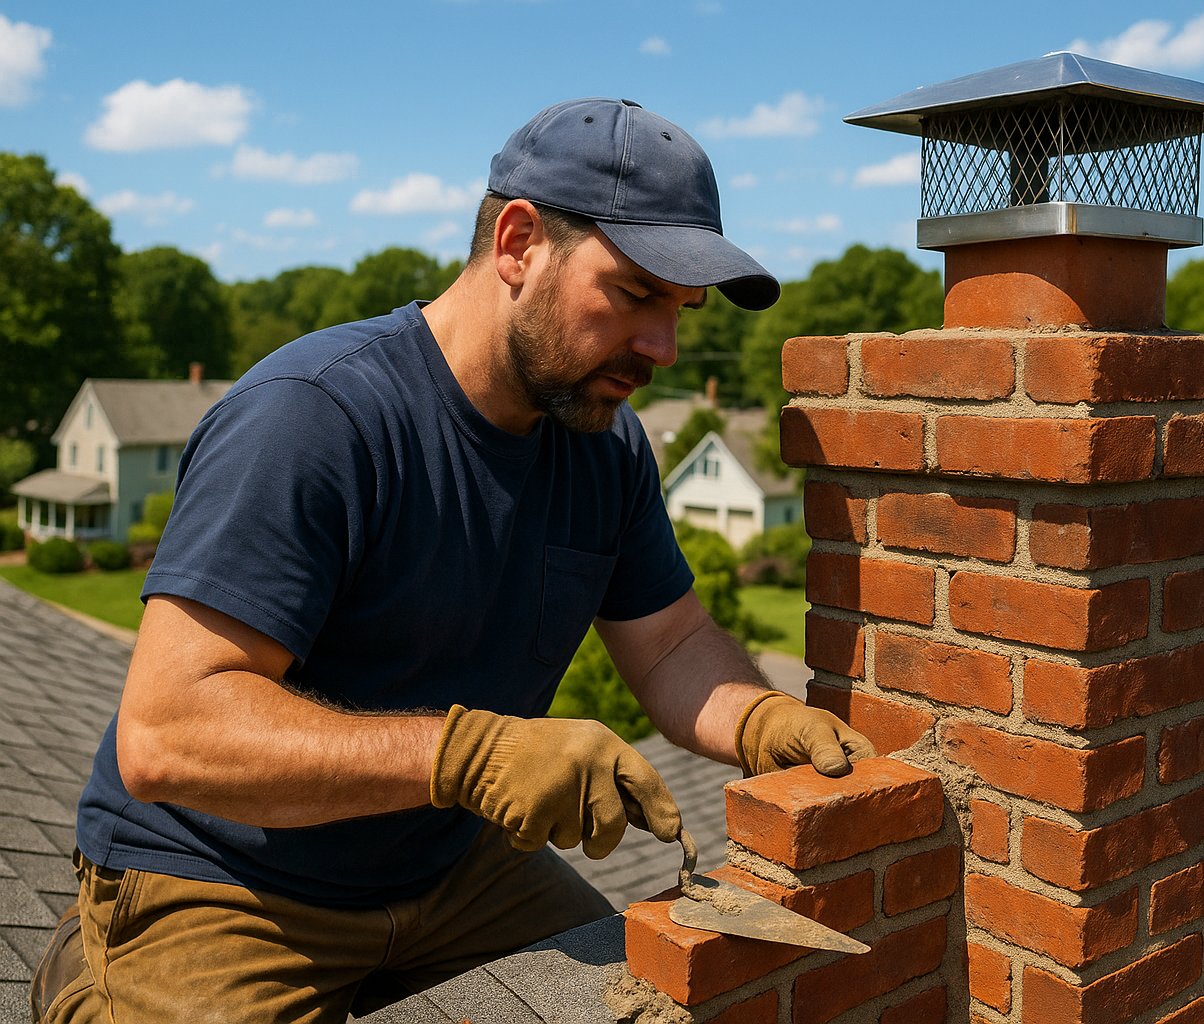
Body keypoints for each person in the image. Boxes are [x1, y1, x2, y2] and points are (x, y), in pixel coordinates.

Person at [31, 97, 875, 1024]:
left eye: (681, 311)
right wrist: (470, 755)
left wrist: (759, 722)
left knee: (643, 1007)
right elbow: (167, 732)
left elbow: (671, 641)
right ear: (517, 243)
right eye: (636, 294)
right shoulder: (314, 418)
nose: (661, 349)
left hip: (446, 865)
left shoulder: (604, 442)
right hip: (225, 876)